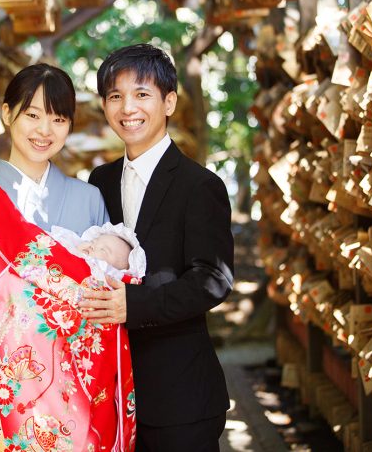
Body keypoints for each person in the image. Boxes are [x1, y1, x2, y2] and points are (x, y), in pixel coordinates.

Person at [0, 63, 136, 452]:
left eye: (58, 119)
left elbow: (107, 288)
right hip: (3, 392)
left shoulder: (88, 199)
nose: (44, 131)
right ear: (7, 114)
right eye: (32, 115)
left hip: (78, 389)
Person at [79, 44, 235, 452]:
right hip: (109, 393)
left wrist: (137, 304)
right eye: (116, 96)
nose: (127, 107)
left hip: (179, 396)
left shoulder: (200, 185)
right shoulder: (100, 181)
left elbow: (213, 279)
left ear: (169, 102)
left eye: (142, 94)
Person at [49, 222, 146, 288]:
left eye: (103, 250)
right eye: (93, 241)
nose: (92, 246)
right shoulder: (67, 243)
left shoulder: (101, 284)